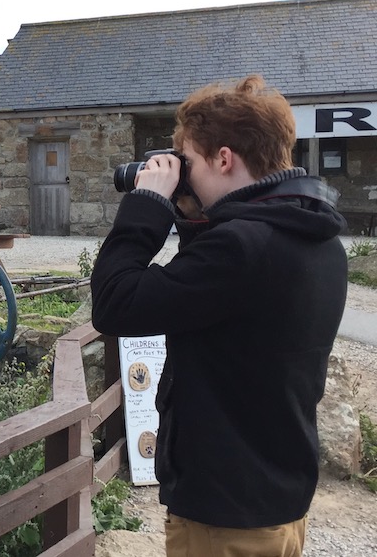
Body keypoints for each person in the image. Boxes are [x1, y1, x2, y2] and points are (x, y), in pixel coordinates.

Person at [91, 75, 348, 557]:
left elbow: (113, 303)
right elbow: (216, 301)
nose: (179, 172)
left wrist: (146, 205)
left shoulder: (241, 248)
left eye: (186, 161)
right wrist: (192, 210)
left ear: (223, 158)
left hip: (223, 519)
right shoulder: (317, 240)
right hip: (276, 502)